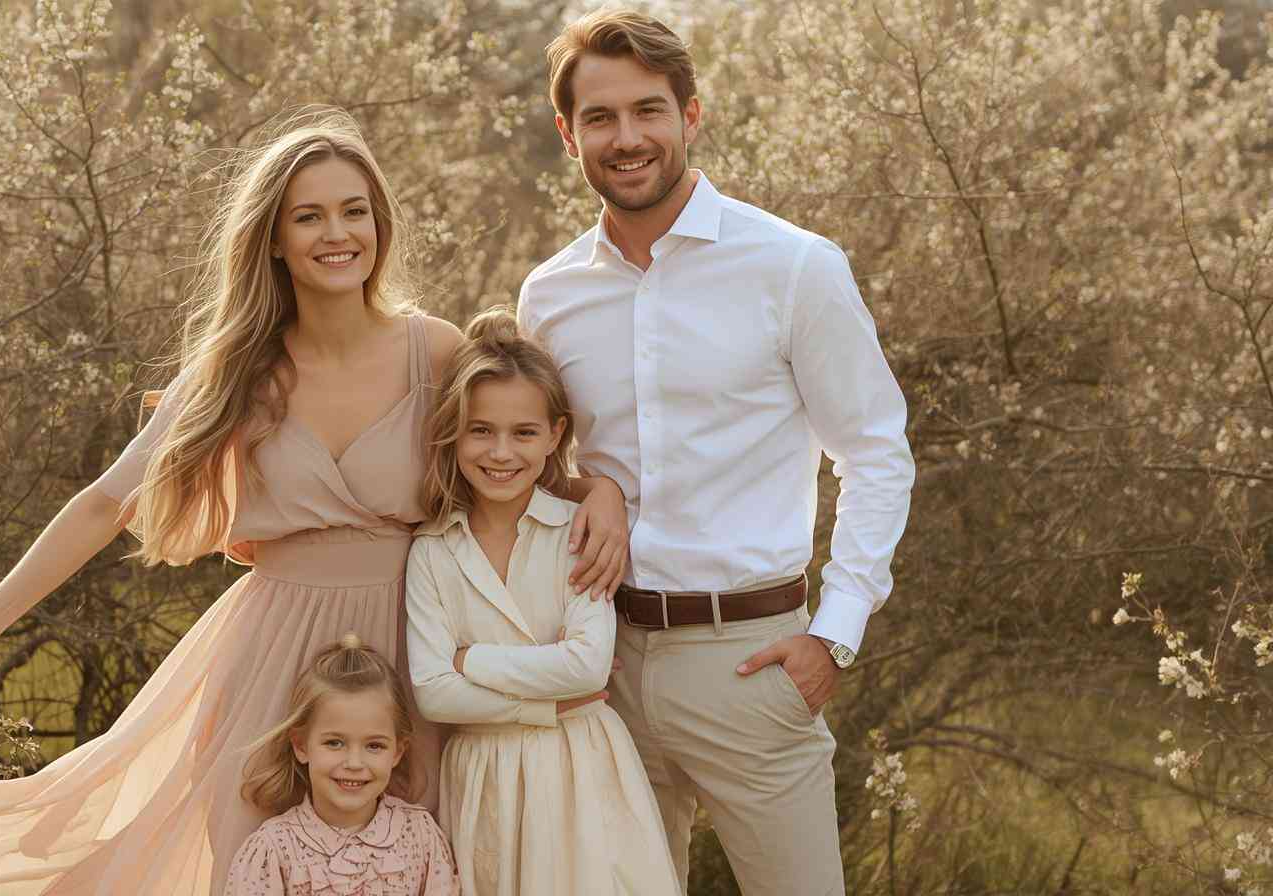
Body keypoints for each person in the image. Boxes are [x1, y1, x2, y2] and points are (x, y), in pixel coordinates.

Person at [0, 109, 628, 896]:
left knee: (417, 858)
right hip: (268, 657)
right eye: (308, 216)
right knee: (250, 855)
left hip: (418, 650)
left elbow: (514, 461)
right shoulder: (237, 371)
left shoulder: (436, 351)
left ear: (380, 225)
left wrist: (604, 493)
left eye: (354, 211)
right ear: (274, 239)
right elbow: (109, 502)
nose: (336, 233)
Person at [518, 10, 917, 896]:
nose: (627, 139)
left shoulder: (794, 268)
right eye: (600, 118)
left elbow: (877, 455)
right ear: (566, 132)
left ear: (690, 116)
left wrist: (834, 636)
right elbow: (531, 465)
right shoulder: (549, 296)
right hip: (600, 662)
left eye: (649, 112)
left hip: (752, 665)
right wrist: (598, 489)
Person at [404, 307, 682, 895]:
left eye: (523, 433)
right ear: (455, 430)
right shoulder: (431, 549)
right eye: (481, 430)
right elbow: (432, 691)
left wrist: (470, 660)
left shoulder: (577, 532)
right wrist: (541, 703)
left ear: (555, 434)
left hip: (582, 762)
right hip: (485, 771)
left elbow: (586, 664)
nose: (501, 452)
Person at [226, 634, 457, 896]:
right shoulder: (273, 849)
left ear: (397, 752)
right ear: (301, 745)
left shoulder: (420, 834)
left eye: (374, 746)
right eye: (335, 743)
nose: (354, 763)